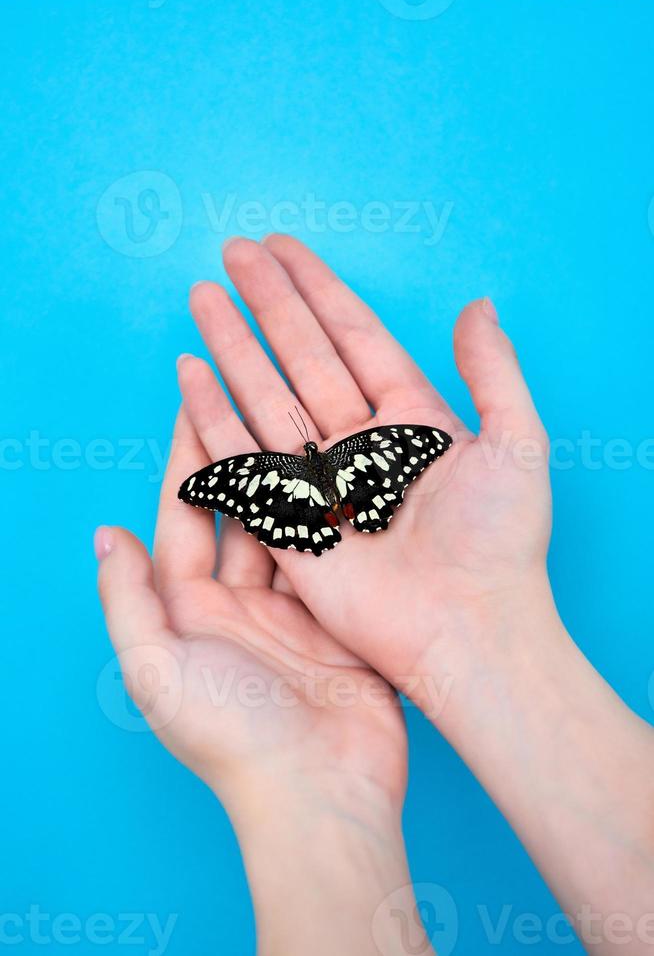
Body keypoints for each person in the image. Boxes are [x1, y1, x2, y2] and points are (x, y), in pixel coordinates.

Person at [95, 236, 654, 955]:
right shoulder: (364, 455)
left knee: (299, 500)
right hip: (341, 490)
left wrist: (301, 793)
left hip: (311, 498)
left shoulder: (319, 464)